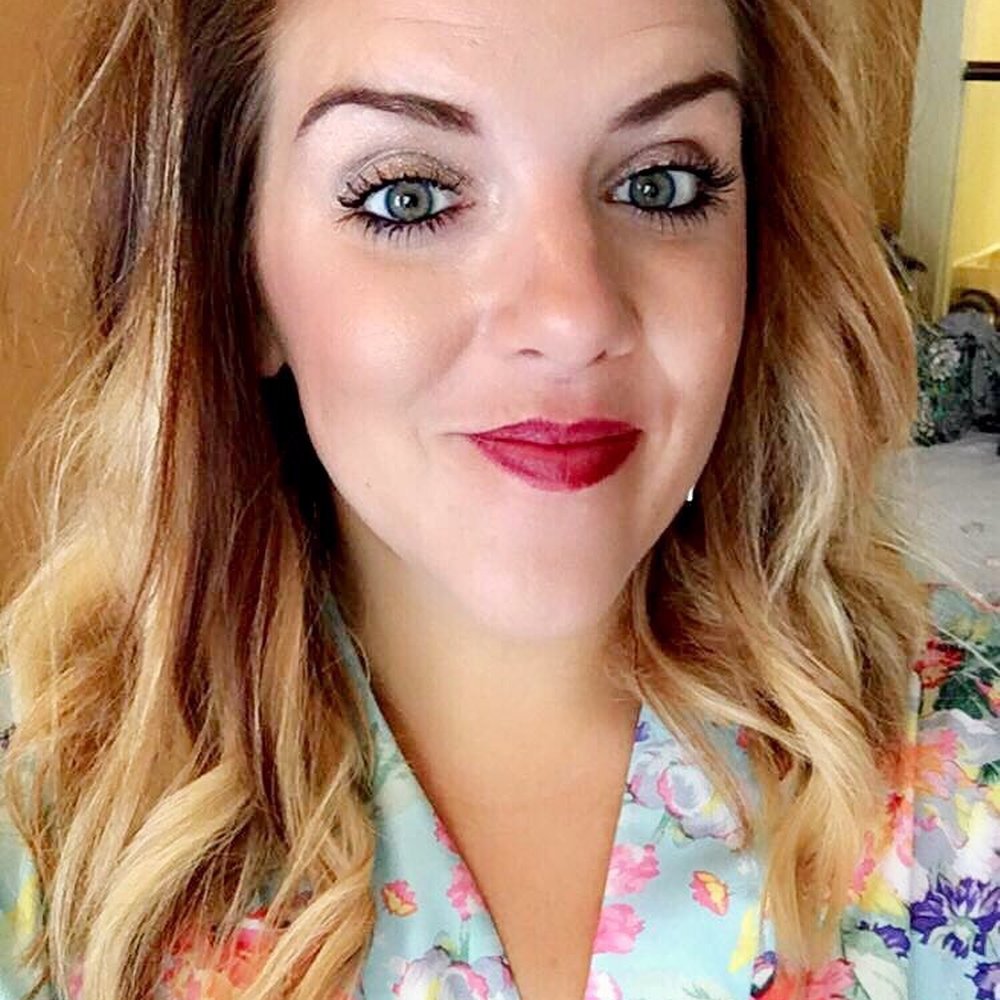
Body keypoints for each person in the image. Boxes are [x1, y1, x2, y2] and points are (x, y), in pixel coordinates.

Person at [0, 0, 996, 998]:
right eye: (410, 197)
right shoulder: (43, 824)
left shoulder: (965, 750)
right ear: (240, 278)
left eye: (660, 182)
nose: (573, 318)